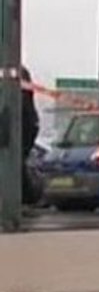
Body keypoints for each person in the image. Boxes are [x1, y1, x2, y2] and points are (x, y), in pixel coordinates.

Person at [20, 67, 40, 206]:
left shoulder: (16, 72)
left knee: (16, 163)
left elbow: (23, 103)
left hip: (22, 125)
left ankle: (28, 197)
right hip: (26, 124)